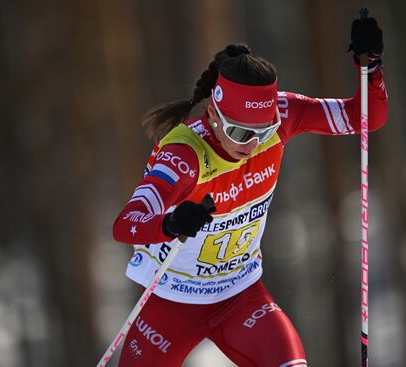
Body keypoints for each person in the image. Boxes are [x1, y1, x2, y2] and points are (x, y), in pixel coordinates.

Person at [112, 15, 387, 367]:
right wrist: (170, 222)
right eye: (241, 133)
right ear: (213, 114)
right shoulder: (184, 155)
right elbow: (125, 224)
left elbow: (364, 118)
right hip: (171, 301)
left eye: (265, 130)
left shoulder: (284, 116)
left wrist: (371, 69)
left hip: (241, 297)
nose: (254, 144)